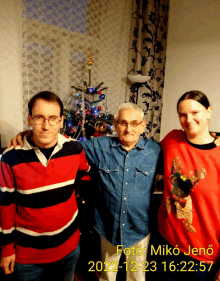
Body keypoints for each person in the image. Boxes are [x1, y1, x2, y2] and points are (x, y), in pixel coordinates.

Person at [6, 102, 162, 281]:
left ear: (142, 125)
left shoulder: (156, 150)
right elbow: (63, 142)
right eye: (123, 123)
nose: (128, 129)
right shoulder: (98, 146)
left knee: (136, 276)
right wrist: (29, 134)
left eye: (134, 123)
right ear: (115, 123)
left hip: (139, 228)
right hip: (108, 227)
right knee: (107, 276)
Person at [0, 91, 90, 281]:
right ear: (29, 119)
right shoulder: (10, 158)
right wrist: (6, 248)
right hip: (28, 257)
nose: (46, 126)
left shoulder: (75, 149)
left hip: (69, 249)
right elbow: (6, 206)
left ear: (61, 121)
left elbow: (87, 178)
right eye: (39, 118)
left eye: (52, 118)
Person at [154, 90, 220, 281]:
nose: (188, 119)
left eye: (195, 113)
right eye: (183, 115)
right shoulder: (172, 139)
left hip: (202, 257)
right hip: (166, 244)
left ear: (209, 112)